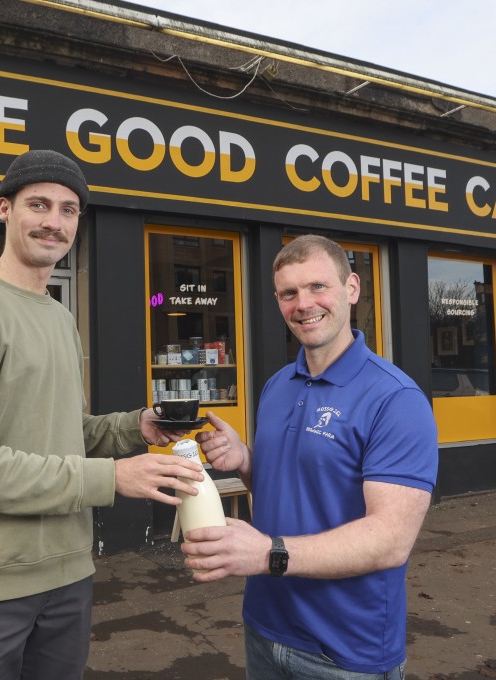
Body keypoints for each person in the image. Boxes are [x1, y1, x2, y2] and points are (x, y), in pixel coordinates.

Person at [0, 149, 203, 680]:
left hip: (68, 572)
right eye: (39, 205)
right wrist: (114, 477)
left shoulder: (59, 318)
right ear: (4, 209)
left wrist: (132, 428)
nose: (54, 222)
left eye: (68, 210)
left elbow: (64, 433)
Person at [182, 234, 438, 678]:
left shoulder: (395, 399)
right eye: (289, 293)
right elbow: (286, 488)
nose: (303, 304)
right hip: (265, 628)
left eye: (318, 287)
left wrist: (268, 555)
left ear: (351, 289)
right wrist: (244, 460)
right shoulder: (278, 385)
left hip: (344, 651)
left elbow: (391, 538)